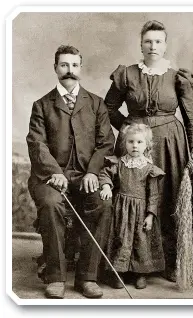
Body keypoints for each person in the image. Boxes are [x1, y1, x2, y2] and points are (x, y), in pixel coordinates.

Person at [104, 20, 193, 282]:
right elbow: (108, 108)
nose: (153, 46)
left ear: (165, 45)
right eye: (148, 41)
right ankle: (128, 263)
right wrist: (130, 129)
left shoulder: (177, 77)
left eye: (158, 41)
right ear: (141, 45)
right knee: (131, 198)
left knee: (169, 196)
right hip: (134, 147)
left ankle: (171, 262)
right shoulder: (127, 74)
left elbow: (191, 115)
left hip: (169, 143)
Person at [26, 45, 115, 299]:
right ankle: (55, 277)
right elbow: (37, 144)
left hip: (86, 175)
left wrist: (92, 173)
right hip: (50, 177)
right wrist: (55, 171)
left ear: (81, 68)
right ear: (55, 68)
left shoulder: (96, 104)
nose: (69, 71)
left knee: (101, 203)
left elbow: (106, 143)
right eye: (64, 65)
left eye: (74, 65)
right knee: (51, 203)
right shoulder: (42, 105)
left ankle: (87, 277)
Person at [98, 123, 165, 289]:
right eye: (131, 141)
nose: (135, 145)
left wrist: (150, 215)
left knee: (140, 242)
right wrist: (106, 185)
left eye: (139, 142)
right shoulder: (119, 164)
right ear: (124, 143)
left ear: (147, 145)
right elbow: (104, 174)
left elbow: (154, 195)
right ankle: (118, 273)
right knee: (120, 239)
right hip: (121, 210)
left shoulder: (149, 168)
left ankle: (140, 274)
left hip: (141, 212)